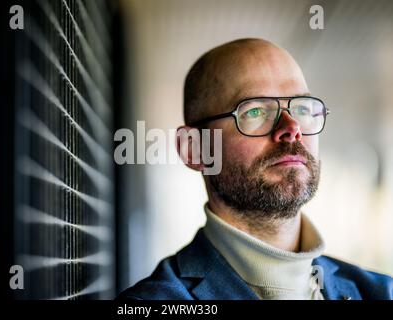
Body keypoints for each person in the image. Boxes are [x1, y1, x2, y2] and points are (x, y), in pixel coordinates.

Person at [117, 38, 393, 300]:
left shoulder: (382, 292)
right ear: (195, 149)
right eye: (255, 111)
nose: (292, 129)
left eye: (302, 108)